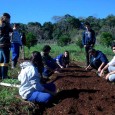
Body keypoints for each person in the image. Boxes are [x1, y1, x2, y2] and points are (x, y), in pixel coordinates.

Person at [0, 13, 13, 79]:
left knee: (1, 59)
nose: (9, 20)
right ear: (6, 18)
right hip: (4, 44)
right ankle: (4, 76)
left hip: (1, 44)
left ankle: (1, 75)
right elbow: (11, 30)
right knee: (6, 59)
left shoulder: (1, 23)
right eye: (9, 18)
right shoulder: (4, 24)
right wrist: (9, 24)